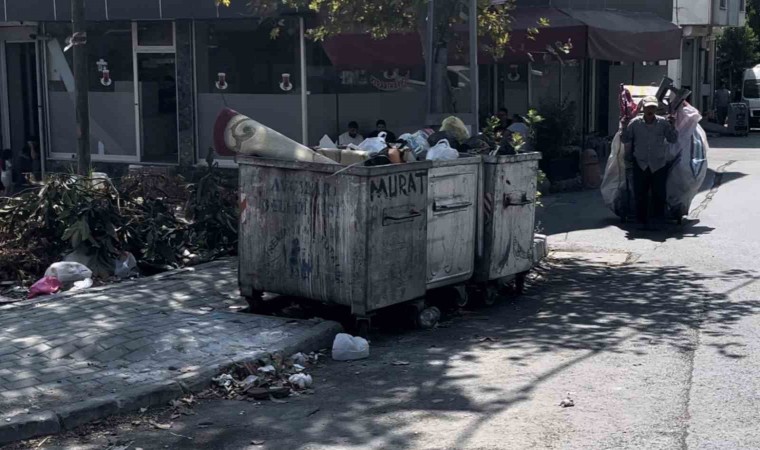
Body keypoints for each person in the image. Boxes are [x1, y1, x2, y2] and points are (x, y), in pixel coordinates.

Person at [620, 96, 678, 228]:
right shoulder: (635, 123)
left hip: (659, 163)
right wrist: (623, 126)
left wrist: (673, 125)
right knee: (640, 193)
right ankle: (641, 221)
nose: (650, 110)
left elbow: (672, 139)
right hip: (640, 163)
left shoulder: (663, 123)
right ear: (643, 109)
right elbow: (625, 139)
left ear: (656, 109)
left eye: (653, 107)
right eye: (647, 108)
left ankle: (658, 220)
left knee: (659, 193)